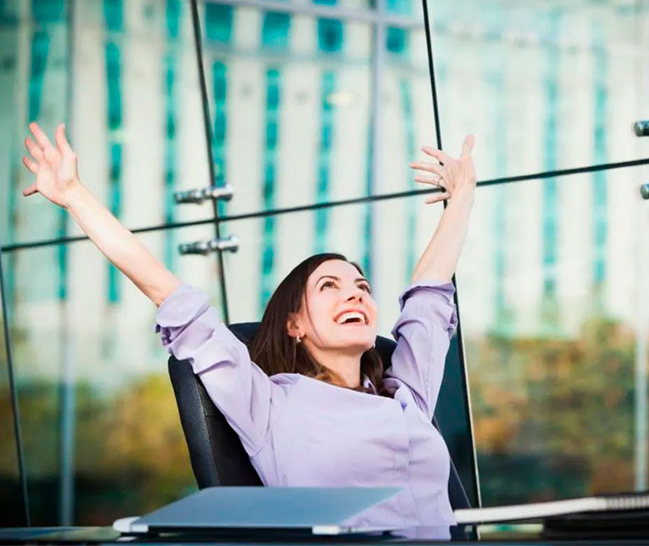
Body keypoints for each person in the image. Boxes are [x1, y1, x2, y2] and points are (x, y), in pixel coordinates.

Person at [21, 122, 477, 538]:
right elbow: (168, 293)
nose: (355, 294)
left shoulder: (407, 395)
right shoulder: (270, 402)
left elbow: (429, 293)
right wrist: (75, 195)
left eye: (362, 286)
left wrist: (463, 196)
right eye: (330, 286)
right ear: (293, 323)